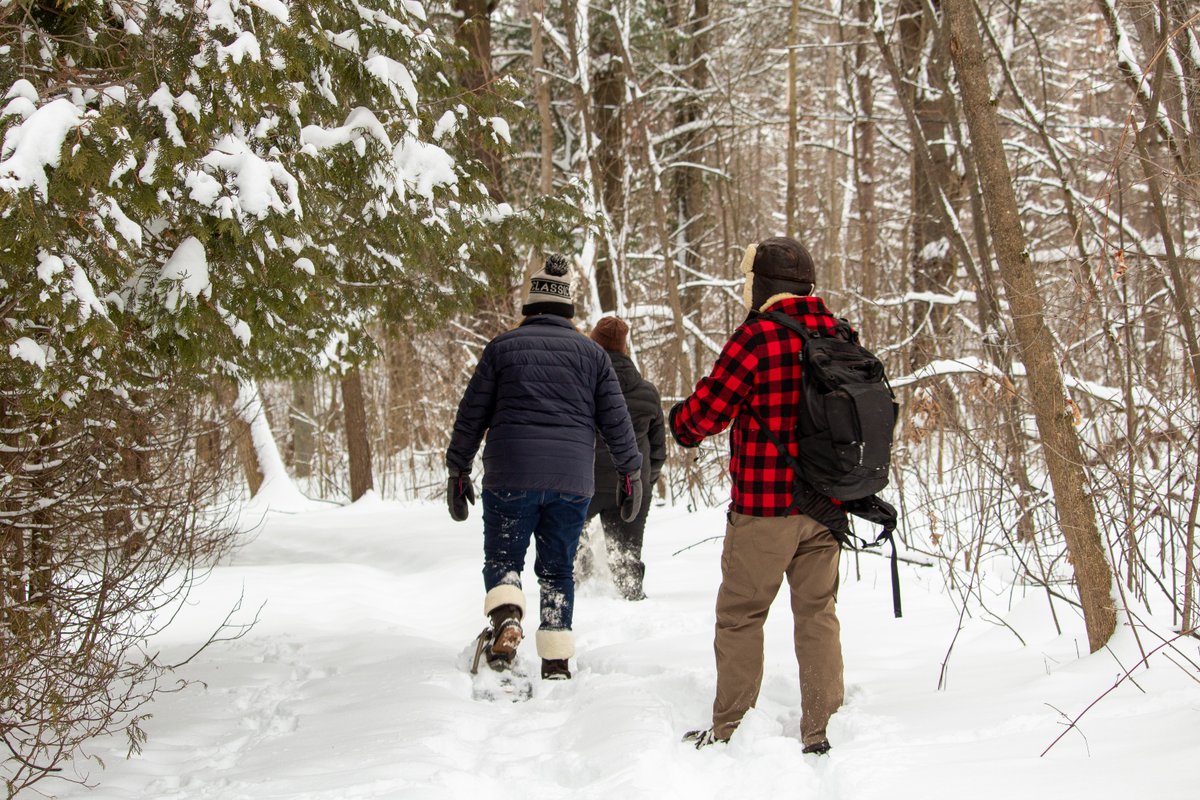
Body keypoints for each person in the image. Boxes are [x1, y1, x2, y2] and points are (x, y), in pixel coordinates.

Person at [669, 236, 851, 755]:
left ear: (762, 285)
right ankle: (823, 727)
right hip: (828, 509)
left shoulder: (758, 338)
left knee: (742, 615)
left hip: (766, 510)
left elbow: (705, 414)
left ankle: (732, 729)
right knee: (818, 614)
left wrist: (677, 421)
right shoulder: (841, 333)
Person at [445, 254, 644, 681]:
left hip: (511, 475)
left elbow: (471, 415)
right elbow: (616, 421)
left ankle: (507, 619)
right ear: (568, 307)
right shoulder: (593, 355)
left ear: (530, 305)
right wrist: (631, 475)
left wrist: (457, 470)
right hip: (571, 481)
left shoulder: (501, 348)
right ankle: (555, 659)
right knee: (557, 567)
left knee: (503, 556)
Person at [576, 316, 666, 601]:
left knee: (569, 542)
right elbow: (658, 450)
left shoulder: (579, 388)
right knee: (626, 558)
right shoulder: (647, 392)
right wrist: (643, 483)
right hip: (629, 486)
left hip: (583, 484)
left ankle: (583, 580)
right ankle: (630, 597)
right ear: (625, 348)